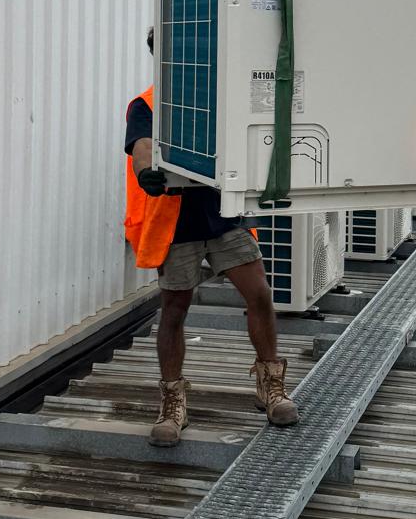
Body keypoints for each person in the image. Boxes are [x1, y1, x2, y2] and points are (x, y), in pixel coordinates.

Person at [124, 28, 298, 443]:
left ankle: (271, 387)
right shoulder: (147, 104)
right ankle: (172, 402)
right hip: (175, 223)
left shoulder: (217, 97)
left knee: (259, 294)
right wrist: (146, 172)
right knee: (174, 310)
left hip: (223, 216)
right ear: (160, 59)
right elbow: (142, 146)